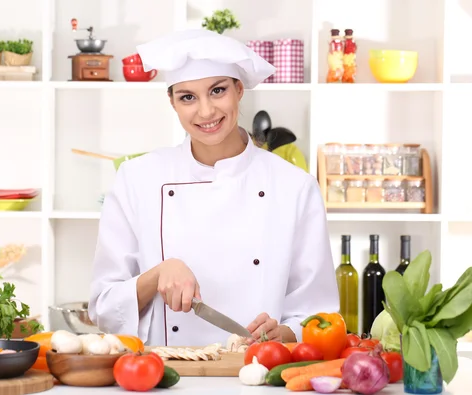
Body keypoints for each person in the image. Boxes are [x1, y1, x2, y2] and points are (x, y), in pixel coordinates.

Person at [88, 28, 339, 347]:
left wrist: (285, 334)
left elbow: (320, 316)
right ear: (172, 102)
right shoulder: (137, 179)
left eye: (218, 91)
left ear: (239, 90)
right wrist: (157, 275)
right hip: (165, 374)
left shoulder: (295, 187)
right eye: (188, 97)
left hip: (260, 373)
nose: (205, 111)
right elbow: (103, 308)